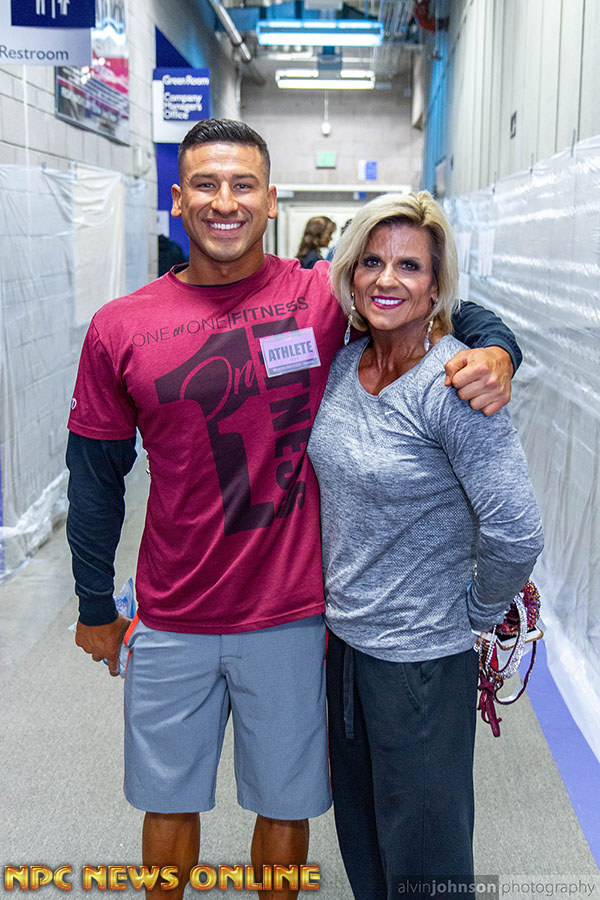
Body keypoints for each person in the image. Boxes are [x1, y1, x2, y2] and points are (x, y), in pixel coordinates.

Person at [66, 118, 523, 900]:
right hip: (172, 611)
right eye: (206, 184)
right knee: (166, 800)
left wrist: (500, 349)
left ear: (271, 200)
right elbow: (95, 476)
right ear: (178, 199)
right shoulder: (121, 326)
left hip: (290, 613)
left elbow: (434, 303)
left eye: (243, 185)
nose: (225, 202)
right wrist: (91, 603)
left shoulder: (318, 299)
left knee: (285, 803)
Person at [307, 191, 544, 900]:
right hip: (347, 647)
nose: (387, 279)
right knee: (363, 838)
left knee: (425, 860)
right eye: (371, 262)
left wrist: (475, 612)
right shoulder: (345, 365)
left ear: (437, 287)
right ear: (350, 275)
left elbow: (516, 529)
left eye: (410, 265)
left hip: (421, 659)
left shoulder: (455, 384)